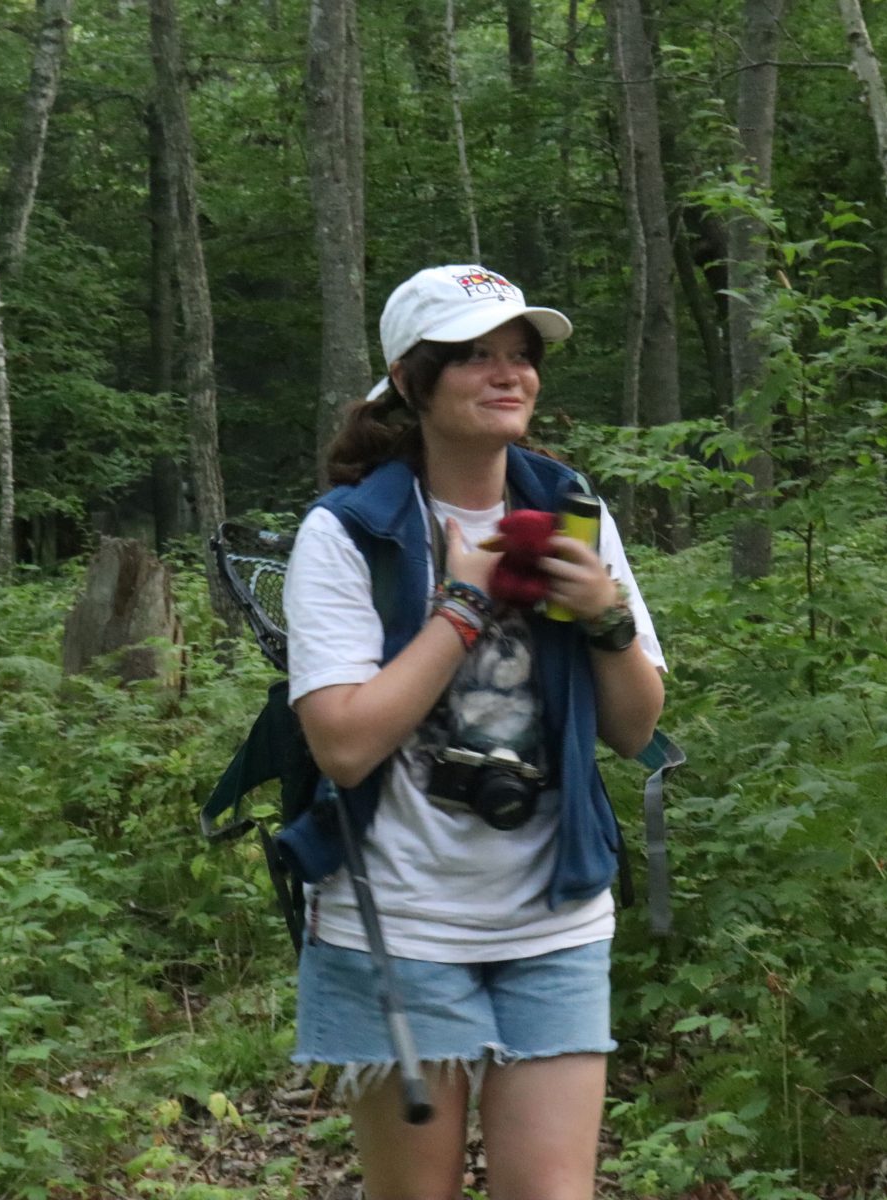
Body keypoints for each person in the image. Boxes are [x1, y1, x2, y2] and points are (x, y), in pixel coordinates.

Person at [279, 264, 667, 1200]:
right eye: (475, 357)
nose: (510, 375)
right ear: (412, 383)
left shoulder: (571, 512)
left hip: (555, 918)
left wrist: (605, 615)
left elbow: (634, 727)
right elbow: (342, 743)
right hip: (398, 923)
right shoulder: (348, 534)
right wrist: (461, 604)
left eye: (521, 356)